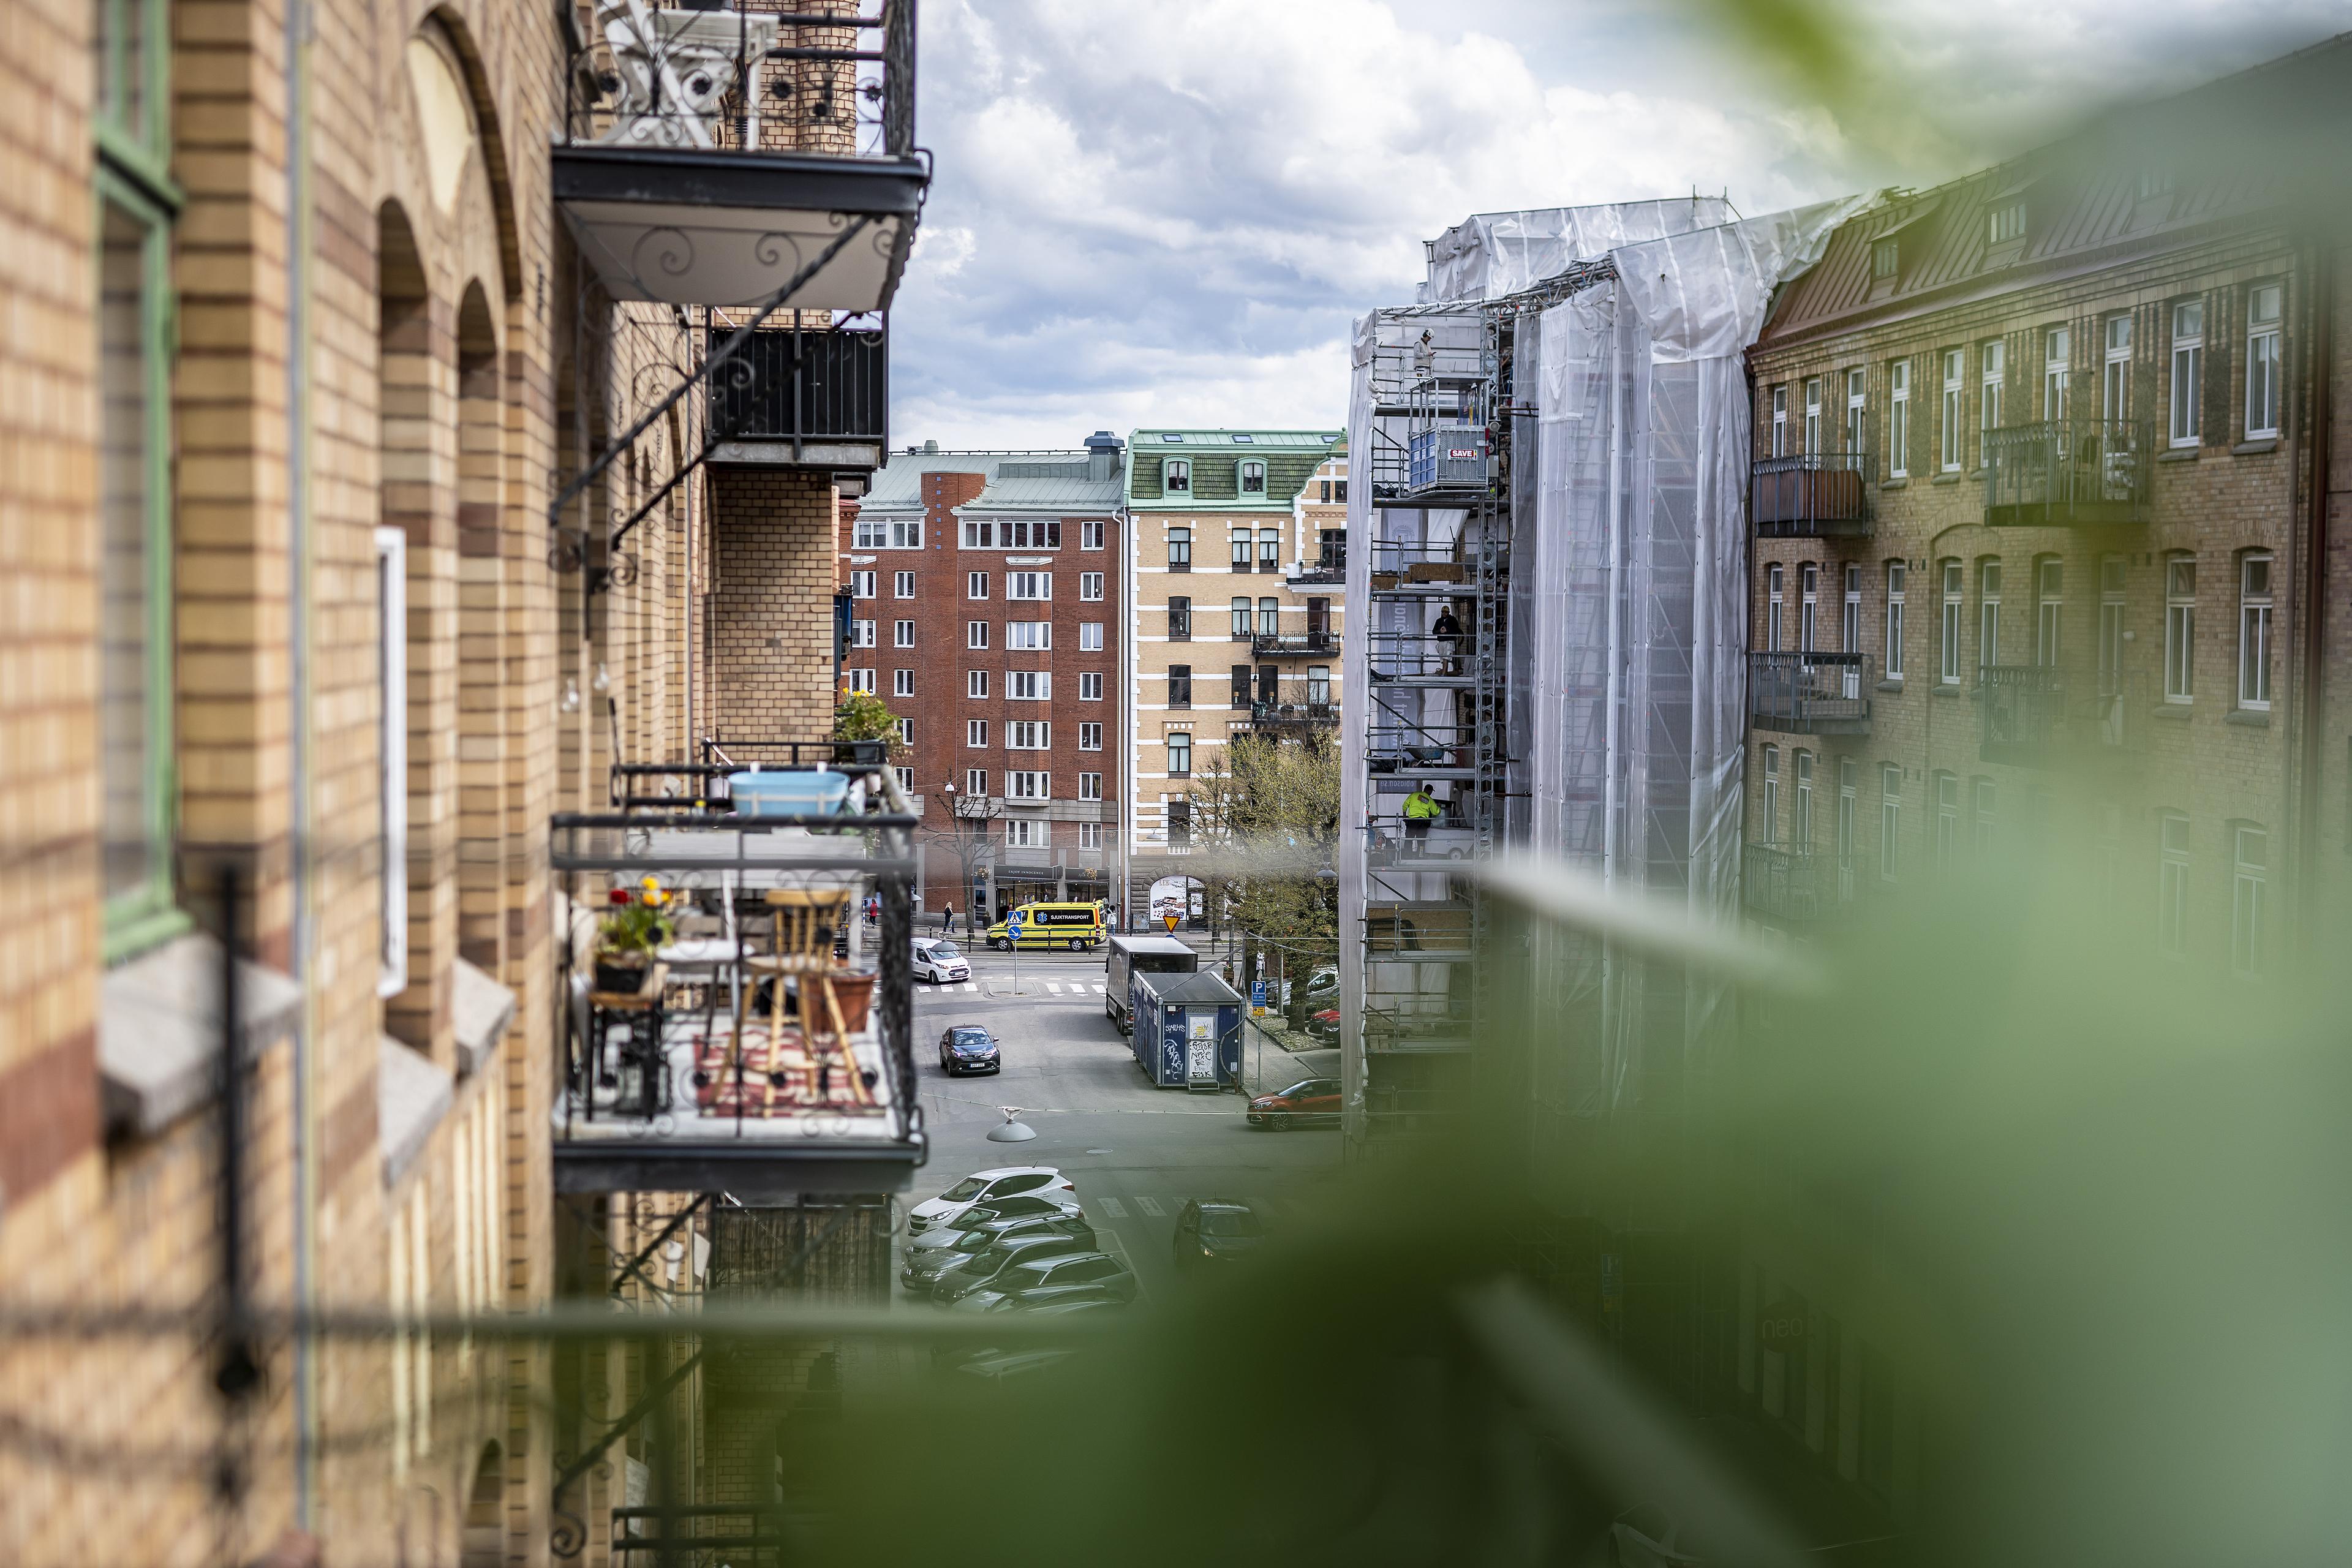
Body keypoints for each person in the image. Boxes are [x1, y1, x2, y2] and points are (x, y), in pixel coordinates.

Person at [1403, 783, 1441, 847]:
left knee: (1409, 840)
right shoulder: (1430, 800)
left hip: (1412, 822)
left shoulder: (1414, 795)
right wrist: (1439, 807)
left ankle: (1407, 856)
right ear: (1430, 791)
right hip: (1423, 823)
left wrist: (1404, 817)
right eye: (1431, 791)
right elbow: (1436, 812)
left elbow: (1404, 806)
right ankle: (1420, 857)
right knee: (1421, 842)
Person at [1429, 605, 1463, 674]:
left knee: (1446, 658)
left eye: (1446, 612)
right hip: (1441, 641)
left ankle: (1444, 674)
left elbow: (1456, 630)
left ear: (1448, 613)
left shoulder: (1453, 620)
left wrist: (1447, 630)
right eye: (1443, 612)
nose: (1444, 614)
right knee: (1442, 659)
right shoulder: (1439, 621)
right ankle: (1444, 673)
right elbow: (1434, 631)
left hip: (1449, 642)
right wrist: (1440, 631)